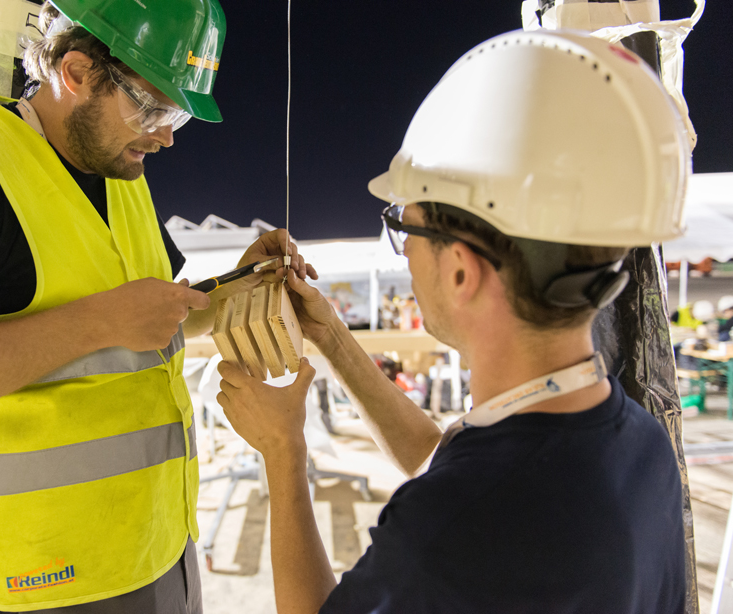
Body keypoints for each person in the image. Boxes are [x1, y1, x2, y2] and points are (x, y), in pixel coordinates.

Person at [0, 1, 314, 612]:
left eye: (178, 118)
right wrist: (98, 323)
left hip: (159, 551)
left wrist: (241, 282)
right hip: (35, 584)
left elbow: (156, 318)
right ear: (77, 71)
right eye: (153, 107)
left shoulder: (120, 176)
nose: (164, 135)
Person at [217, 30, 688, 613]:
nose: (404, 253)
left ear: (462, 271)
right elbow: (445, 455)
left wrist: (282, 451)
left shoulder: (451, 529)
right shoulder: (638, 447)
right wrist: (332, 339)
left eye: (404, 228)